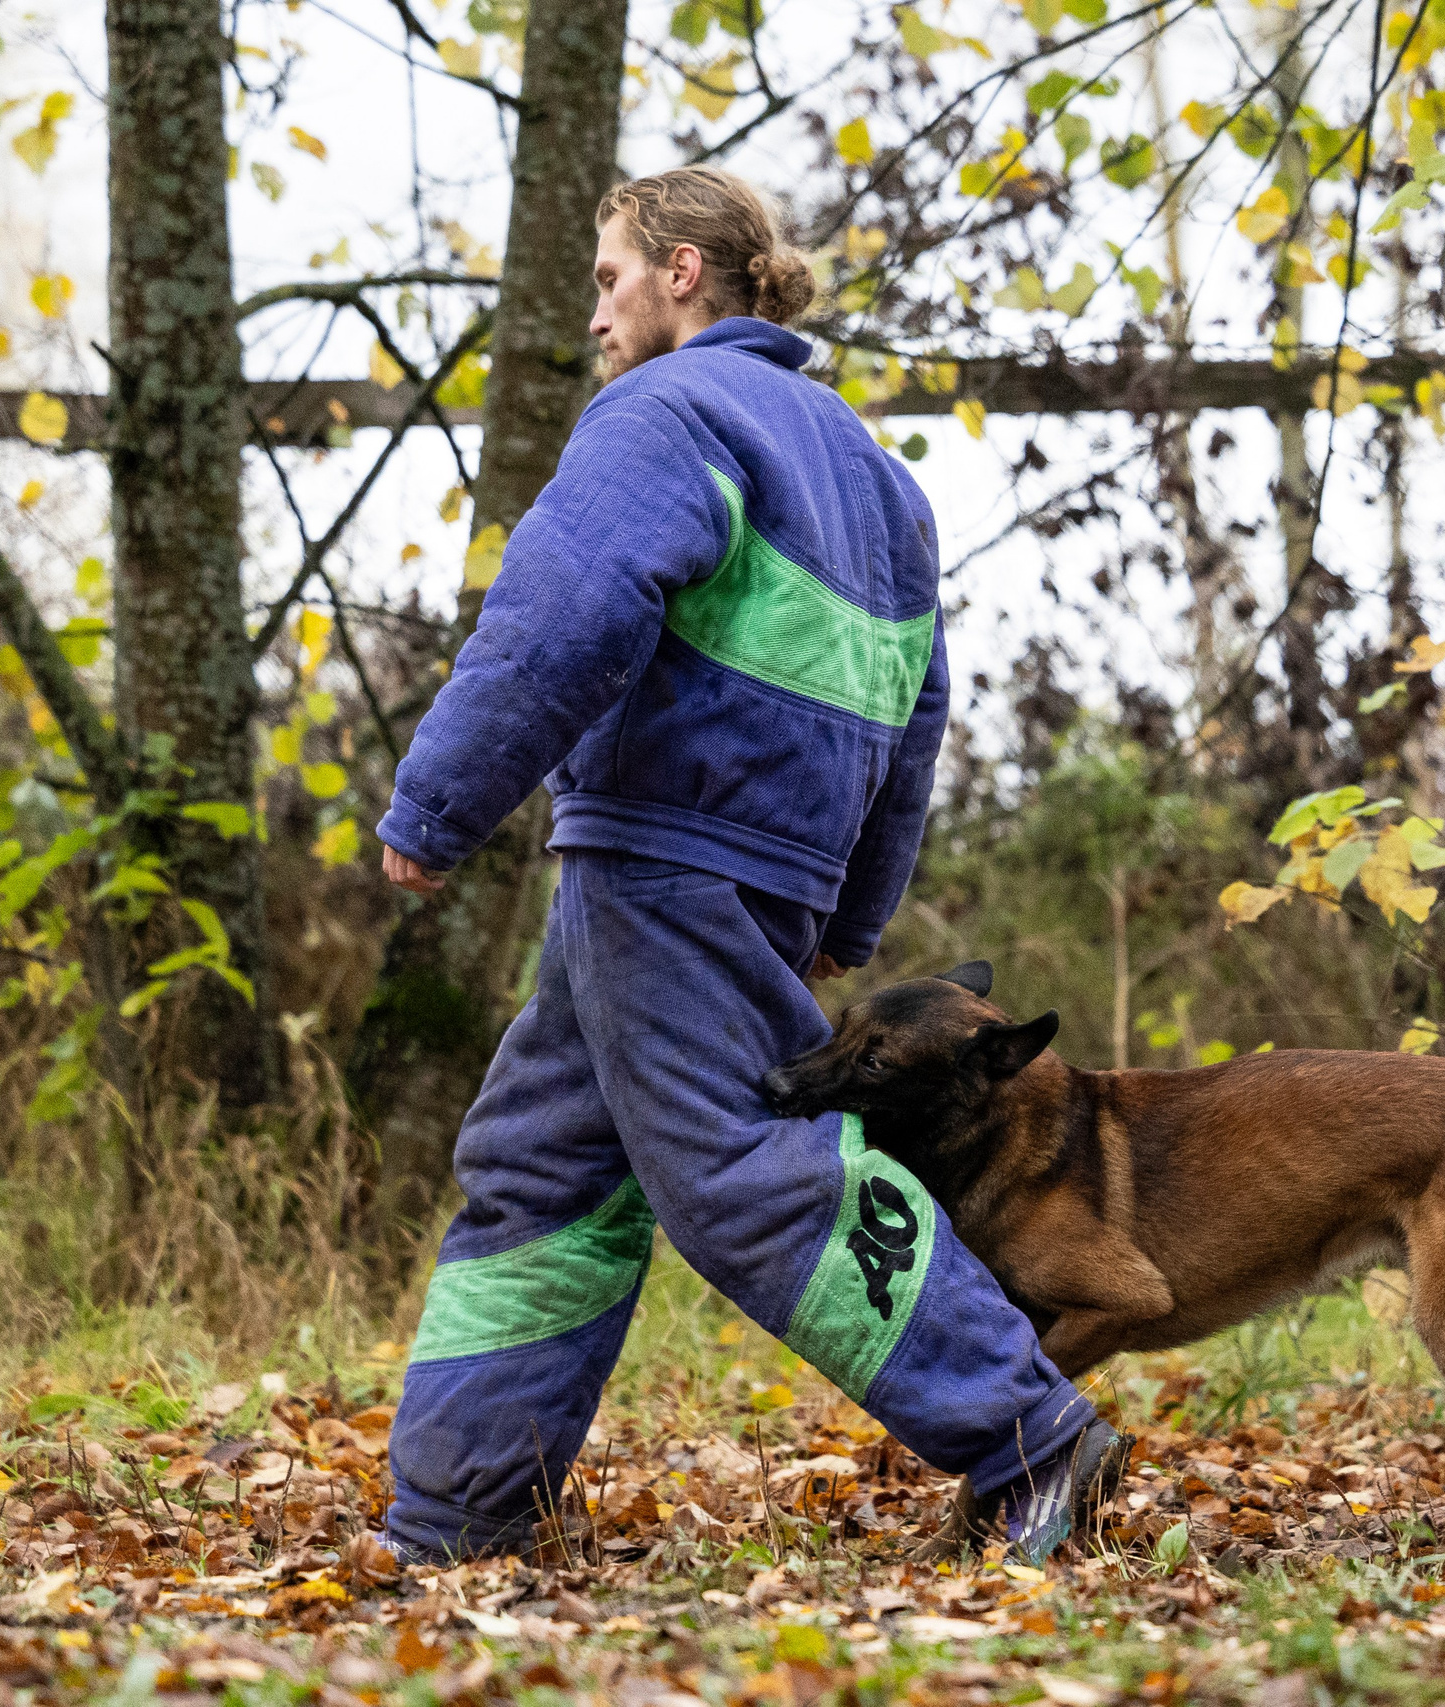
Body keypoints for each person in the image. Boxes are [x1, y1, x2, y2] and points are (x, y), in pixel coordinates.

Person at [373, 167, 1119, 1564]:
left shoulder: (666, 414)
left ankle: (1032, 1436)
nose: (594, 317)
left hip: (660, 855)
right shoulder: (873, 478)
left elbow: (561, 612)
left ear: (683, 273)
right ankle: (452, 1521)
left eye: (608, 280)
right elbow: (918, 703)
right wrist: (852, 907)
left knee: (747, 1167)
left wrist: (436, 809)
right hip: (747, 872)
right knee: (542, 1176)